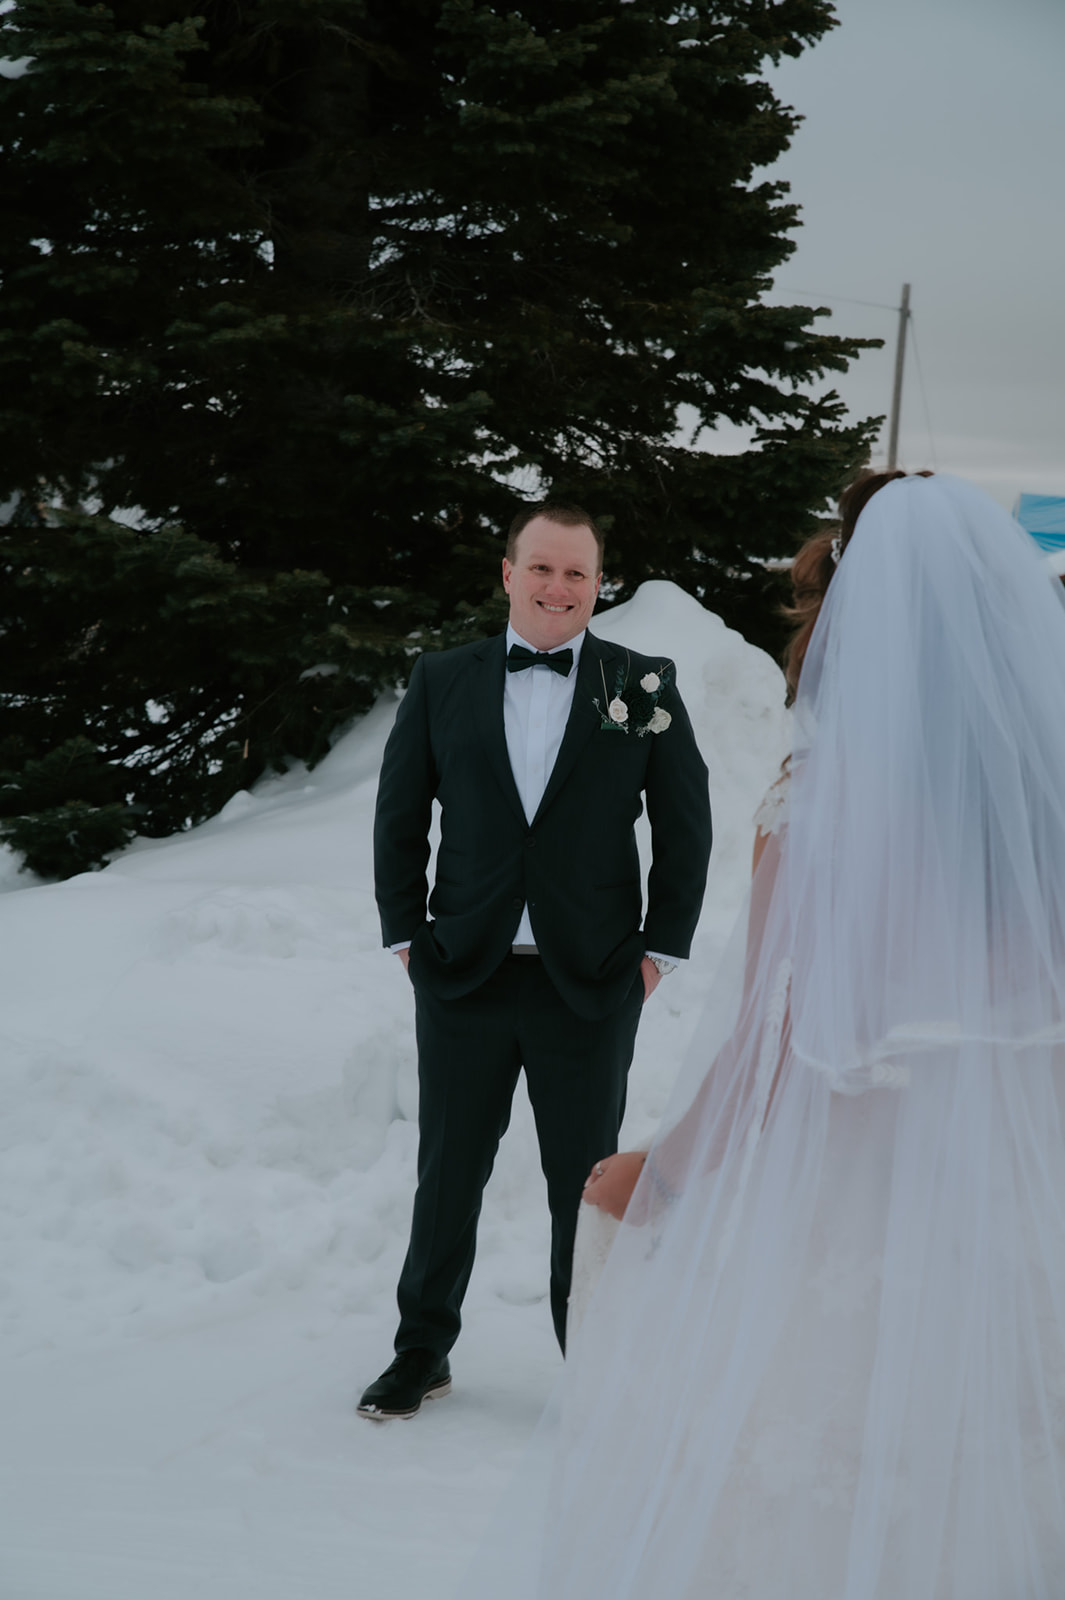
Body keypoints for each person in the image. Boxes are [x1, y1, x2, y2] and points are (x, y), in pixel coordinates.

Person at [472, 472, 1065, 1599]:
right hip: (1020, 1230)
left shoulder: (823, 808)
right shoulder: (1048, 811)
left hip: (848, 1227)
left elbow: (773, 1047)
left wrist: (655, 1170)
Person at [358, 502, 712, 1421]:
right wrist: (407, 937)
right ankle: (419, 1353)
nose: (560, 588)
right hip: (463, 974)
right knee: (447, 1176)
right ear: (507, 573)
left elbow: (686, 826)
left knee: (584, 1186)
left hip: (588, 984)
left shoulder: (643, 683)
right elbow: (399, 818)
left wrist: (657, 954)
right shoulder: (443, 679)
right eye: (543, 569)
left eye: (578, 574)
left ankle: (590, 1363)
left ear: (601, 585)